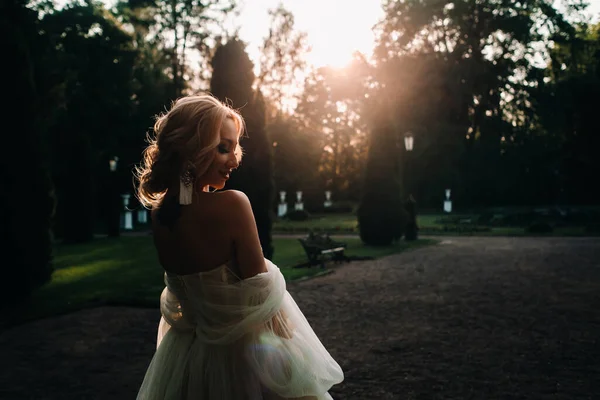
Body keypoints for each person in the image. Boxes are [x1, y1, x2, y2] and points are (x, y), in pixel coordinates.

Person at [134, 94, 344, 399]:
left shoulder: (160, 215)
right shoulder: (233, 204)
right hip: (246, 358)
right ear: (193, 149)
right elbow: (260, 292)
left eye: (234, 149)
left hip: (187, 359)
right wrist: (292, 352)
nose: (234, 161)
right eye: (223, 149)